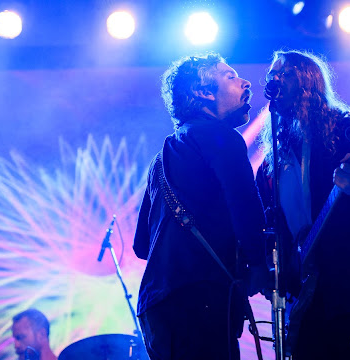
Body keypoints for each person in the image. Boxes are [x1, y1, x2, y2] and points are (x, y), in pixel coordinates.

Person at [256, 50, 350, 359]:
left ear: (307, 81)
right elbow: (270, 225)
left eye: (283, 74)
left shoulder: (349, 131)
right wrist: (276, 269)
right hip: (307, 293)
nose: (274, 80)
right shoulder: (276, 153)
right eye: (270, 76)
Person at [133, 52, 267, 360]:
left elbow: (142, 246)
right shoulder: (221, 137)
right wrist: (258, 265)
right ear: (204, 92)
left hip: (156, 306)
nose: (245, 82)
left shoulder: (162, 159)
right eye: (230, 76)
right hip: (200, 299)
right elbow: (244, 203)